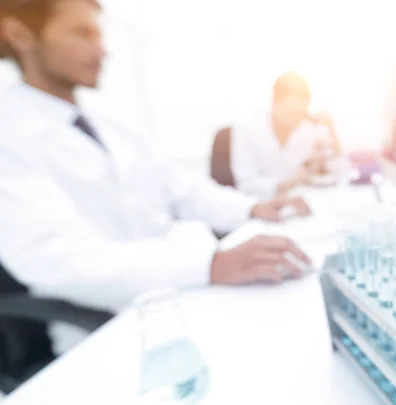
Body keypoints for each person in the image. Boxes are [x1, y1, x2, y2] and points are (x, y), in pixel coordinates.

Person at [0, 0, 313, 354]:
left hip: (179, 293)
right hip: (104, 328)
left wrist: (254, 209)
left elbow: (183, 190)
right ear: (19, 34)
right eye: (82, 33)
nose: (102, 50)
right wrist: (209, 264)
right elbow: (61, 261)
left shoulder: (111, 126)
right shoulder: (8, 138)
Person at [231, 71, 342, 200]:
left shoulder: (308, 128)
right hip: (259, 203)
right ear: (274, 103)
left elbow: (337, 166)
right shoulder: (245, 129)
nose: (296, 120)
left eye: (301, 113)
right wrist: (291, 182)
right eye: (290, 113)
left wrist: (331, 130)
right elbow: (246, 184)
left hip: (300, 200)